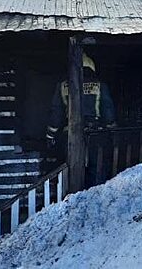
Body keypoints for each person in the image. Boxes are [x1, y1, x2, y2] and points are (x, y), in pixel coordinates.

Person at [46, 53, 116, 186]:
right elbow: (108, 110)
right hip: (96, 134)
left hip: (69, 135)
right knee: (96, 169)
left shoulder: (62, 86)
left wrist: (50, 136)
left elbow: (55, 113)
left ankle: (70, 197)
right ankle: (93, 196)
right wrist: (112, 130)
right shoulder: (100, 86)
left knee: (70, 169)